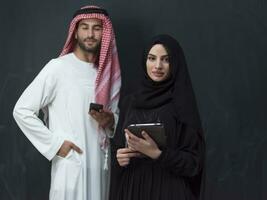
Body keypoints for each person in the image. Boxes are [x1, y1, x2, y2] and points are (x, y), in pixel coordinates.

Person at [13, 5, 121, 200]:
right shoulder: (58, 68)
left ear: (104, 32)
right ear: (76, 33)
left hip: (100, 167)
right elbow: (21, 110)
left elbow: (115, 117)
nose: (90, 34)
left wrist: (110, 121)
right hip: (70, 167)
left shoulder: (107, 75)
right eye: (84, 27)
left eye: (97, 28)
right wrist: (55, 145)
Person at [109, 34, 205, 200]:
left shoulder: (182, 104)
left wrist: (158, 154)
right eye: (152, 58)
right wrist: (120, 157)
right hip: (133, 189)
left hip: (169, 190)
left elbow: (193, 164)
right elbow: (117, 147)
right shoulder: (130, 102)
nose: (158, 66)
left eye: (166, 60)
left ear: (175, 64)